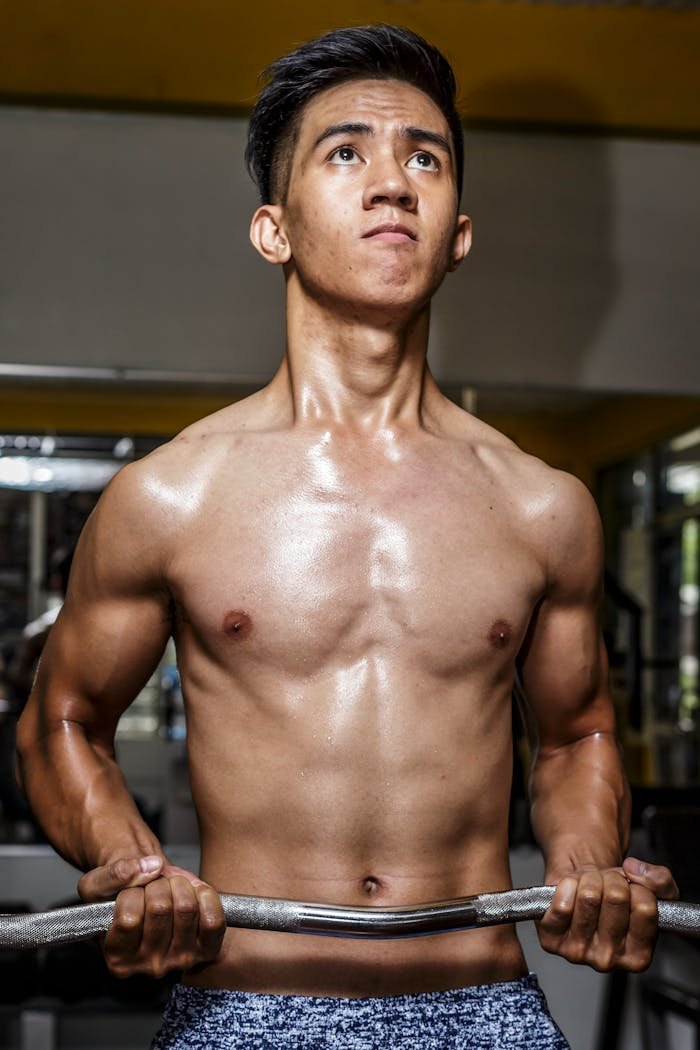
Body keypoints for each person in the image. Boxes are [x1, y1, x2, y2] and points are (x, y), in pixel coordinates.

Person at [17, 24, 678, 1050]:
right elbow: (60, 719)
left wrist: (586, 862)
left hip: (481, 1003)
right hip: (249, 1005)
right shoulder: (173, 496)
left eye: (425, 156)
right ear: (272, 230)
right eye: (346, 152)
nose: (392, 183)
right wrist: (130, 866)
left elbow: (576, 734)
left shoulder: (542, 507)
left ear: (458, 231)